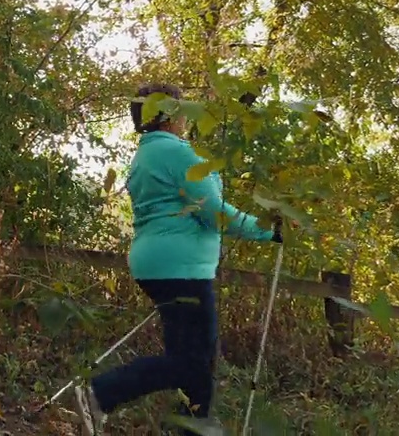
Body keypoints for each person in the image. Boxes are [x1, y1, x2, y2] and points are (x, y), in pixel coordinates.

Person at [74, 83, 282, 435]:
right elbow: (214, 212)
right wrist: (268, 230)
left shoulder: (149, 153)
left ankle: (186, 427)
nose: (186, 116)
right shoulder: (175, 154)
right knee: (192, 363)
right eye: (181, 109)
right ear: (168, 114)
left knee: (193, 362)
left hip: (161, 264)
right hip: (180, 269)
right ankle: (101, 392)